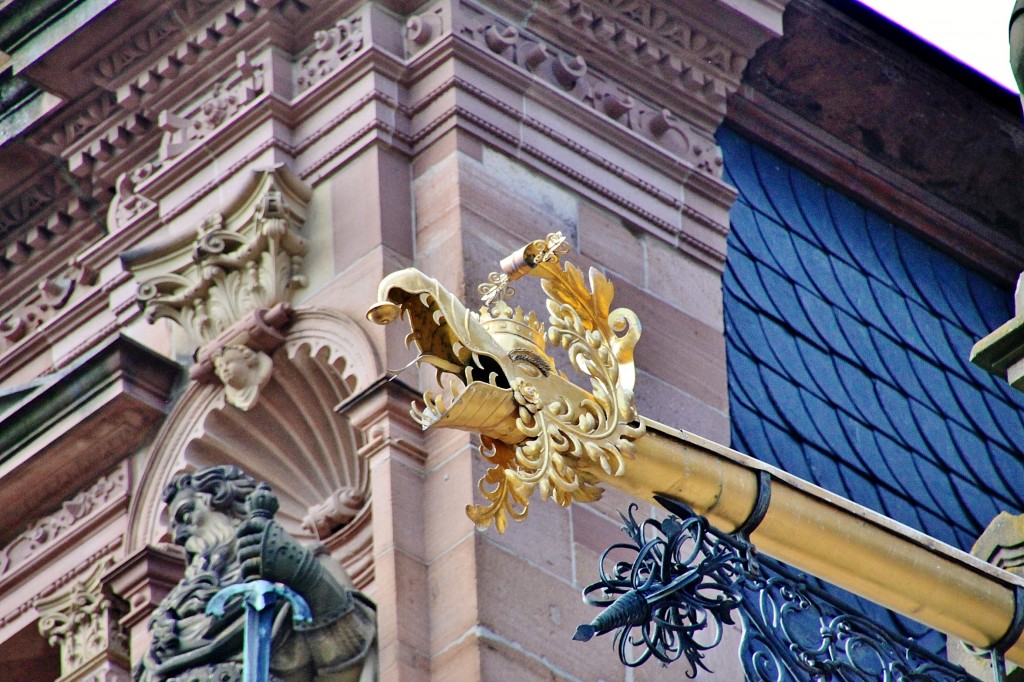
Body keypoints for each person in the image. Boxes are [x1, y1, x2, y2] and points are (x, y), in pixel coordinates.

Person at [134, 465, 377, 681]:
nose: (180, 535)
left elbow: (353, 657)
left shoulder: (298, 567)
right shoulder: (166, 623)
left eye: (186, 515)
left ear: (221, 499)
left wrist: (304, 576)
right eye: (175, 528)